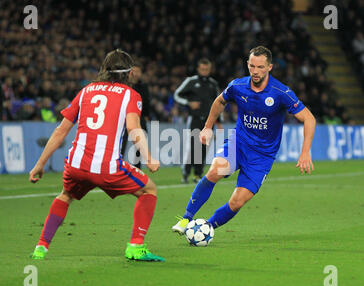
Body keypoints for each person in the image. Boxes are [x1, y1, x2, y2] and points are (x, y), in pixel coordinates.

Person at [29, 49, 165, 262]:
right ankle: (136, 247)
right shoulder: (131, 95)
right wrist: (148, 156)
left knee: (65, 195)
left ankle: (41, 247)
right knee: (149, 190)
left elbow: (60, 131)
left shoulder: (86, 91)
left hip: (76, 164)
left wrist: (39, 164)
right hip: (106, 167)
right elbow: (134, 128)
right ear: (129, 73)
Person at [172, 46, 316, 234]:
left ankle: (206, 228)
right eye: (252, 66)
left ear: (270, 67)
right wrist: (207, 127)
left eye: (260, 67)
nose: (255, 71)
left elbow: (309, 118)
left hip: (262, 156)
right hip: (238, 144)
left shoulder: (280, 92)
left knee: (237, 201)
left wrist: (305, 151)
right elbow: (219, 101)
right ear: (247, 64)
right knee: (215, 171)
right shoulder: (237, 86)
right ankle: (186, 219)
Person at [174, 58, 221, 184]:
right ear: (198, 69)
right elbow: (177, 95)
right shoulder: (191, 81)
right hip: (194, 119)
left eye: (207, 69)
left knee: (204, 148)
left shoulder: (213, 84)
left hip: (209, 121)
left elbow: (218, 103)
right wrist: (188, 103)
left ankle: (198, 174)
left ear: (209, 70)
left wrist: (218, 121)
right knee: (192, 147)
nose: (205, 71)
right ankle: (186, 172)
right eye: (202, 69)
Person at [120, 61, 151, 169]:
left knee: (140, 143)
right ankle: (117, 166)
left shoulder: (143, 86)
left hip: (139, 118)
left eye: (138, 71)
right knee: (120, 143)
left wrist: (146, 115)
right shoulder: (123, 85)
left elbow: (146, 102)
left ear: (141, 73)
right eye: (134, 71)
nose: (136, 73)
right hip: (123, 118)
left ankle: (137, 168)